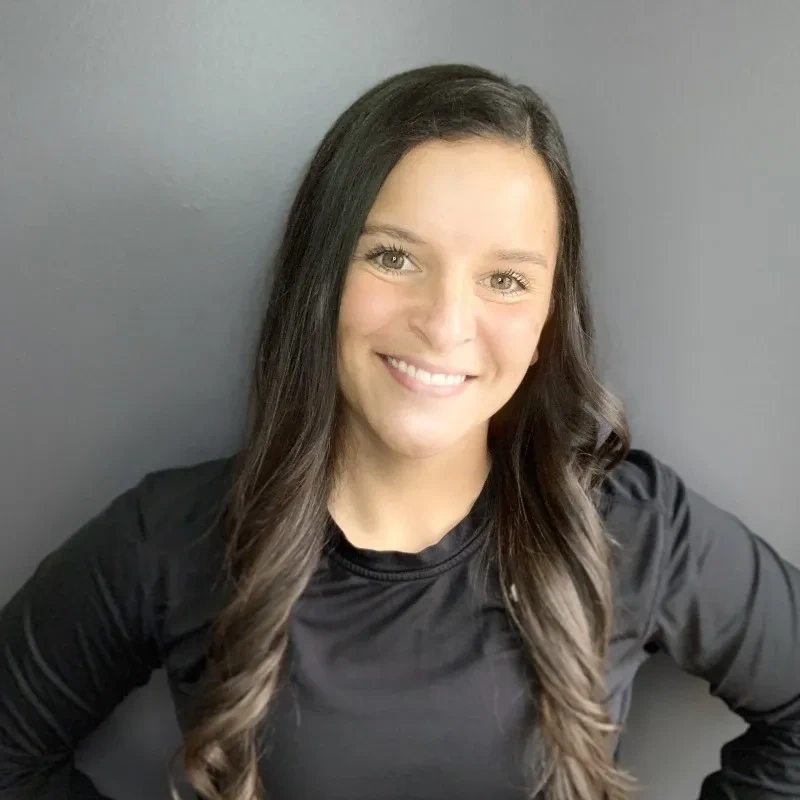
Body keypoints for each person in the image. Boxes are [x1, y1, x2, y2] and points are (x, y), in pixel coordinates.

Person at [0, 62, 798, 800]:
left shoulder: (633, 527)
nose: (446, 323)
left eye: (505, 279)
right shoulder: (173, 540)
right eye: (393, 258)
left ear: (548, 321)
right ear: (321, 275)